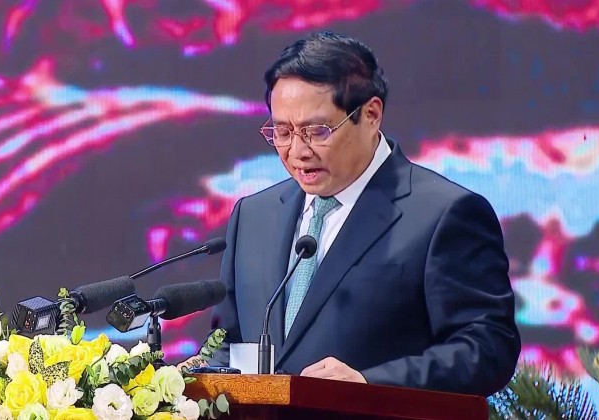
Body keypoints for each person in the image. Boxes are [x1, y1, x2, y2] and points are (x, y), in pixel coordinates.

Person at [189, 31, 521, 397]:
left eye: (317, 131)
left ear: (371, 115)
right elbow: (228, 344)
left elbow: (487, 348)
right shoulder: (253, 216)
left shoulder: (444, 214)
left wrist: (368, 383)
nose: (297, 151)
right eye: (282, 132)